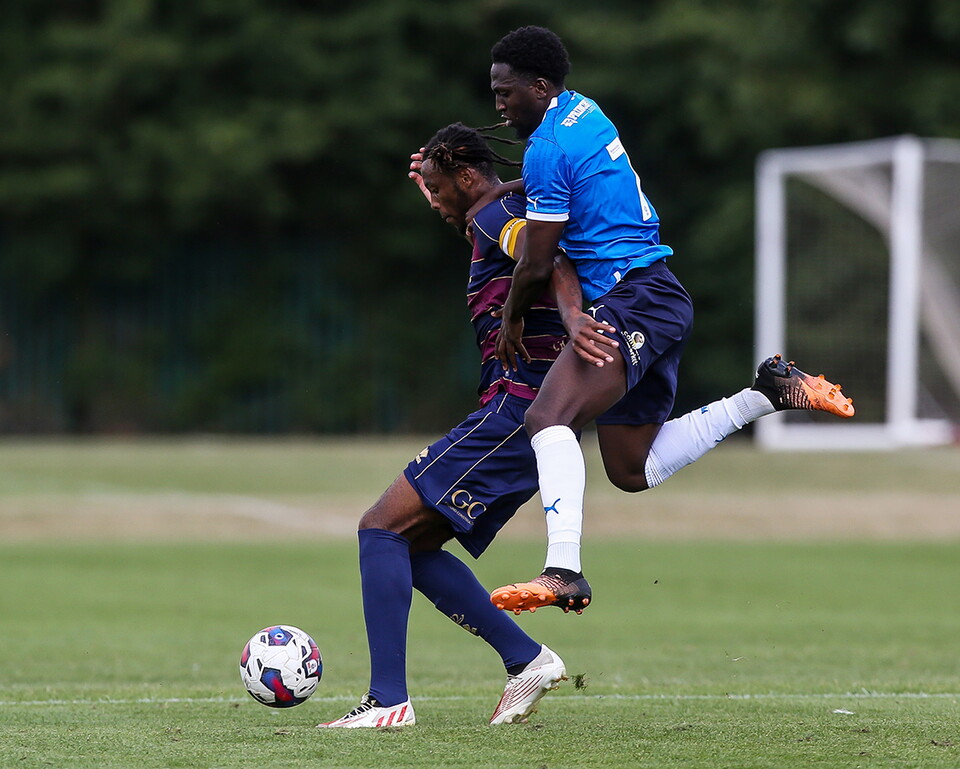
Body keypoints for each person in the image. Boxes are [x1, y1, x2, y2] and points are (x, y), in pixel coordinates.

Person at [483, 26, 855, 616]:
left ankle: (563, 571)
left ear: (539, 85)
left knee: (546, 416)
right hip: (656, 297)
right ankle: (765, 393)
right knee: (633, 468)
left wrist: (509, 320)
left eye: (505, 93)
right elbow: (561, 189)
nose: (498, 104)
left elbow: (534, 261)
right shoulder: (583, 111)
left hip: (633, 300)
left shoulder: (547, 148)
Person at [316, 122, 613, 729]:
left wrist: (574, 314)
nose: (434, 202)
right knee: (414, 545)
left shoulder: (492, 213)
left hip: (518, 410)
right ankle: (525, 659)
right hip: (521, 412)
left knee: (380, 529)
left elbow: (545, 256)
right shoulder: (497, 205)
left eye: (437, 188)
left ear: (468, 176)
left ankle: (387, 701)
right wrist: (435, 175)